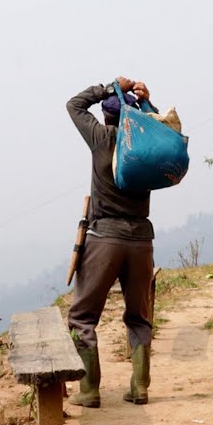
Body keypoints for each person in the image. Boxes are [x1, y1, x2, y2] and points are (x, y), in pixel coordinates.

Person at [65, 77, 158, 407]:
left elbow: (74, 104)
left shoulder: (102, 138)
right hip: (142, 240)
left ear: (107, 116)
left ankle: (89, 390)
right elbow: (164, 128)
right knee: (139, 317)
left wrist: (108, 87)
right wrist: (146, 101)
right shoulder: (145, 144)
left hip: (104, 237)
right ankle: (140, 386)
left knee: (82, 317)